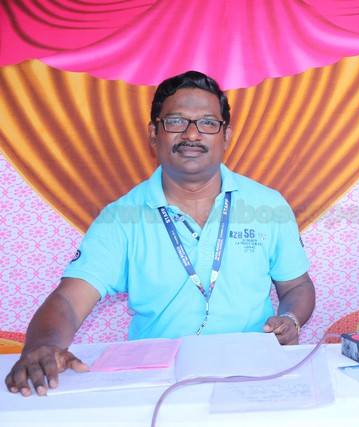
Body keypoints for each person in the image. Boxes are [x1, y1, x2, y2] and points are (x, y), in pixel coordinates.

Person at [5, 70, 316, 397]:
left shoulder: (268, 204)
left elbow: (297, 286)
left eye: (208, 123)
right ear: (154, 134)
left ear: (226, 136)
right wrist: (42, 346)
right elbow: (69, 300)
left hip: (254, 371)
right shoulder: (120, 218)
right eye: (176, 121)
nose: (192, 134)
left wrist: (290, 319)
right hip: (153, 383)